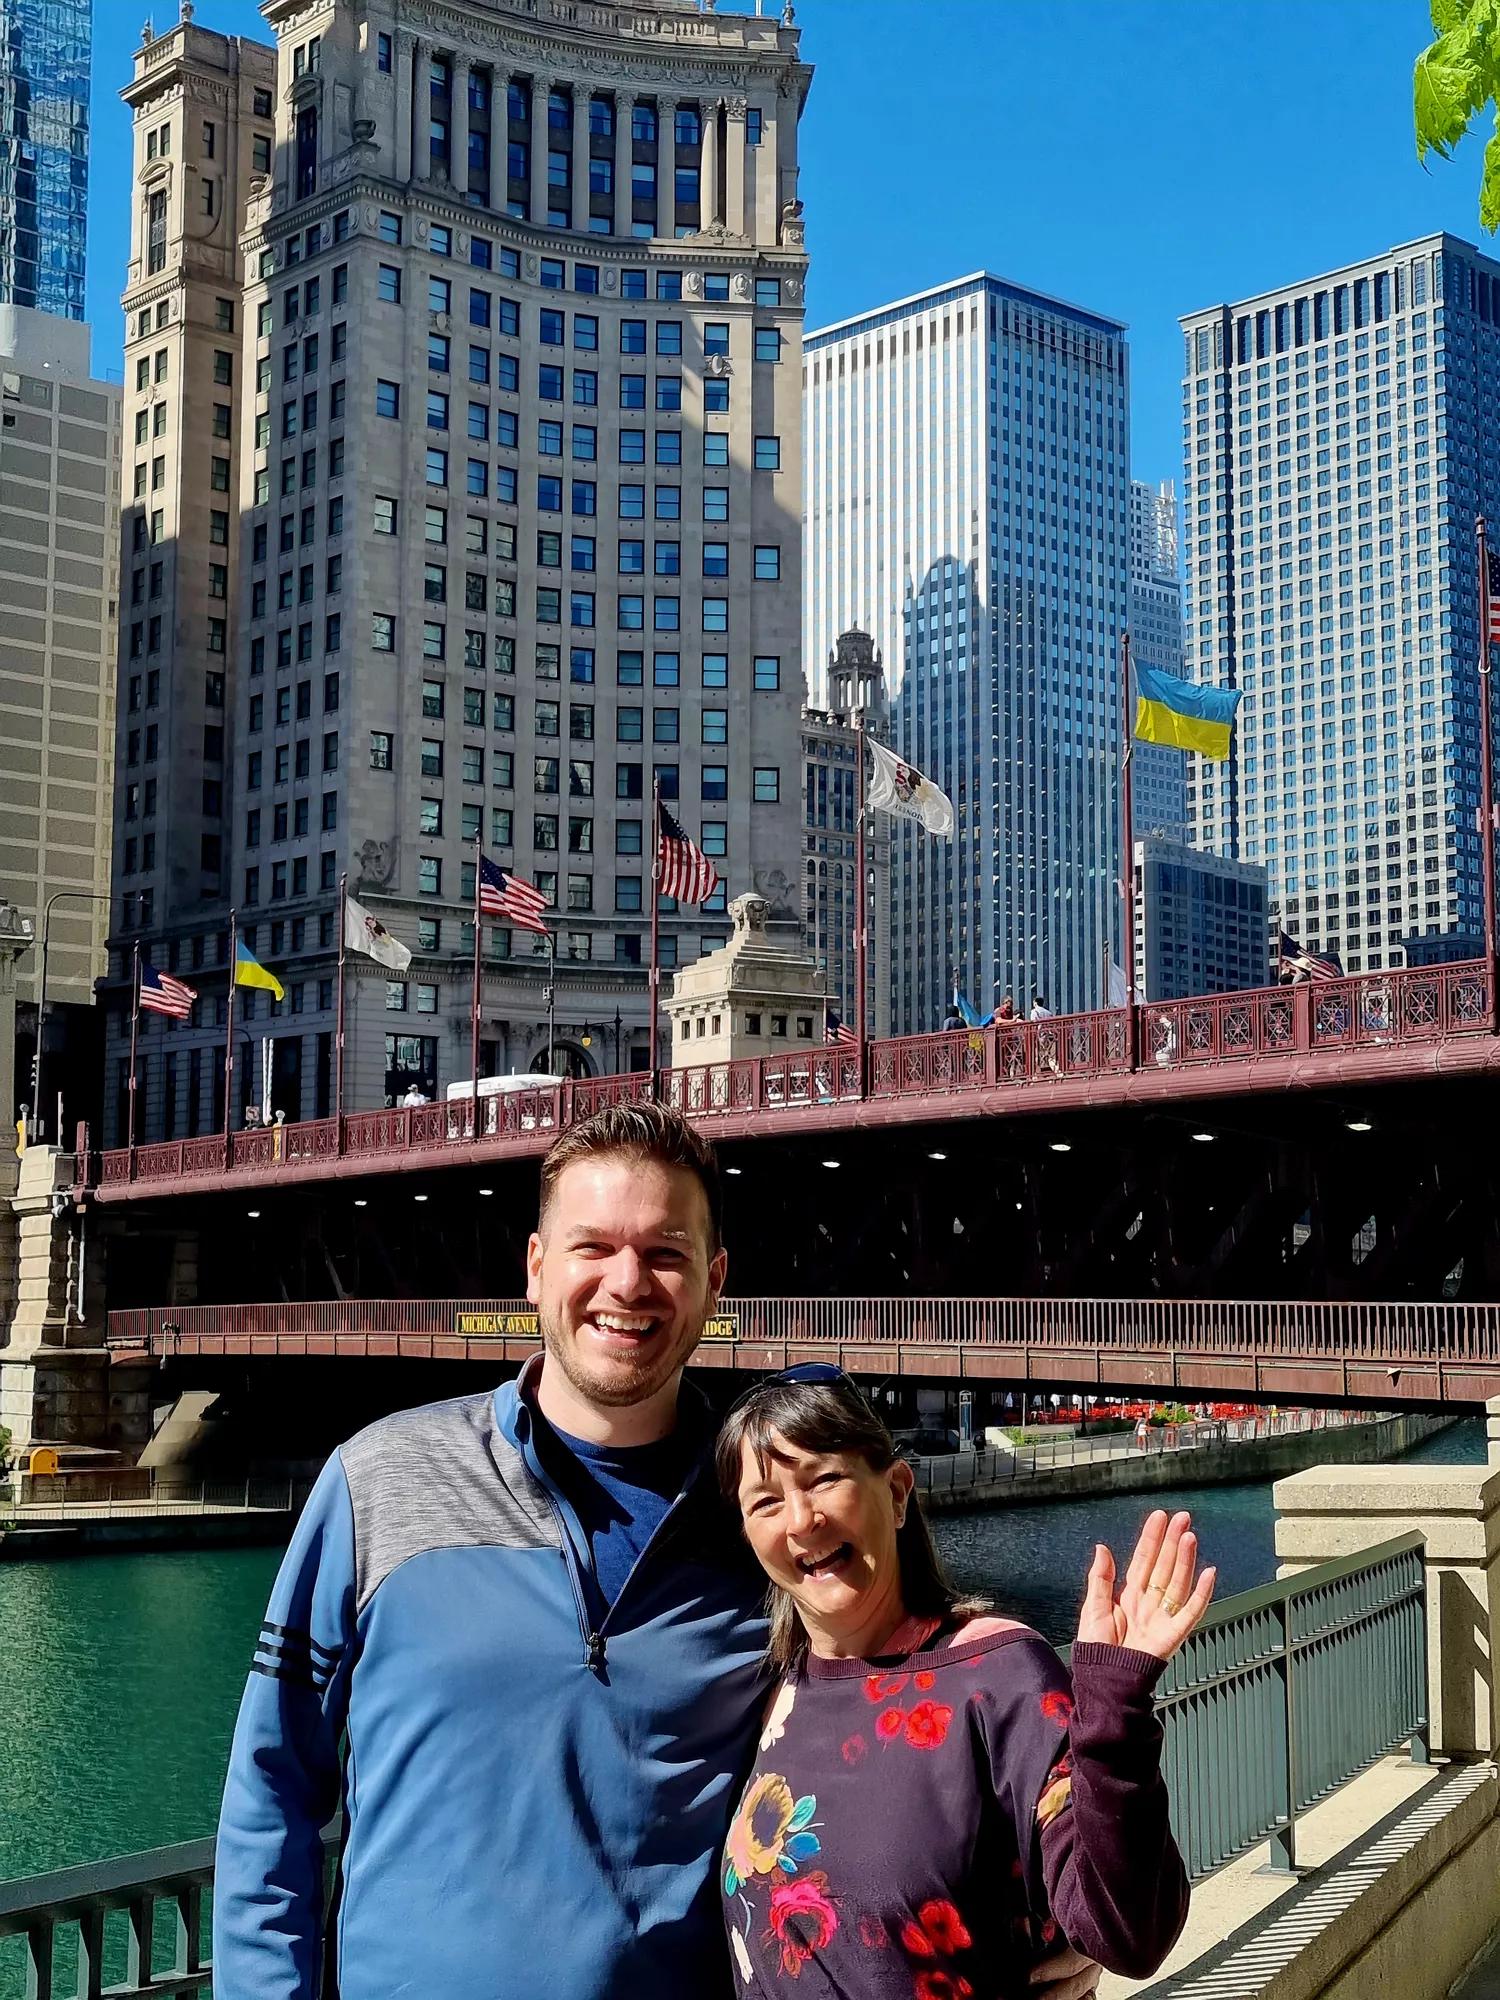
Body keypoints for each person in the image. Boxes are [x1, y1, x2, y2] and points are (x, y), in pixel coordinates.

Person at [213, 1104, 1101, 2000]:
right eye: (592, 1247)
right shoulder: (379, 1482)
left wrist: (1045, 1901)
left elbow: (895, 1727)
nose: (627, 1282)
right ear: (536, 1269)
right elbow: (271, 1786)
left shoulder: (765, 1527)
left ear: (714, 1282)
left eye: (665, 1254)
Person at [717, 1370, 1210, 1993]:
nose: (800, 1520)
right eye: (765, 1501)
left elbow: (1127, 1933)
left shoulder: (998, 1676)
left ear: (897, 1493)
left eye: (824, 1479)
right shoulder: (771, 1698)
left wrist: (1113, 1710)